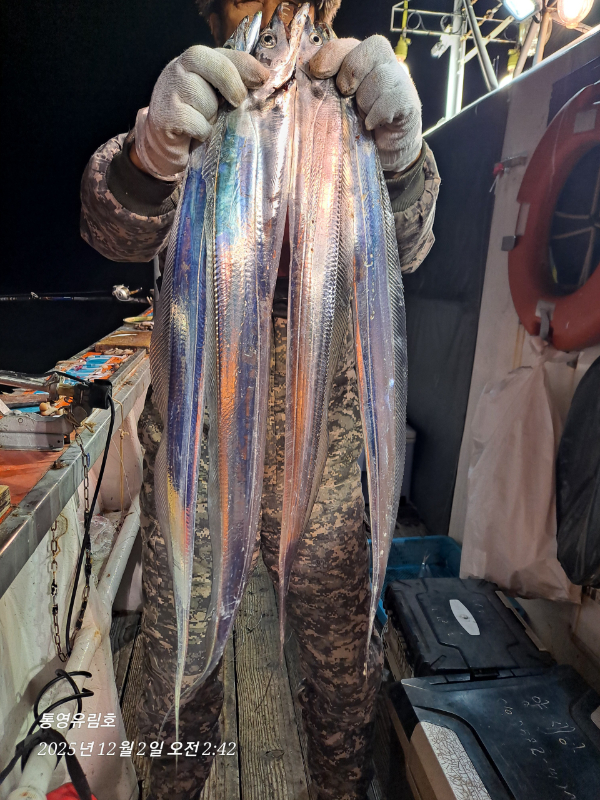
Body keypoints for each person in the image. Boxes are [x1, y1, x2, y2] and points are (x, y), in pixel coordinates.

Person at [80, 1, 439, 798]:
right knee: (178, 676)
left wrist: (403, 156)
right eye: (252, 7)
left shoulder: (356, 115)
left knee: (344, 682)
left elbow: (411, 244)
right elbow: (113, 230)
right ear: (215, 16)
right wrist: (148, 155)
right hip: (198, 466)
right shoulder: (195, 116)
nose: (277, 13)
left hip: (328, 475)